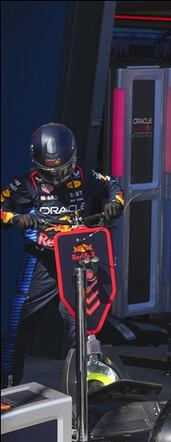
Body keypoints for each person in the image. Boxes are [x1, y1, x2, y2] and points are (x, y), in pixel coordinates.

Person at [1, 122, 125, 387]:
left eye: (63, 170)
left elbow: (114, 186)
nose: (58, 177)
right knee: (17, 323)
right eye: (51, 172)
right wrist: (16, 218)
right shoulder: (24, 183)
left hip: (76, 261)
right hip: (40, 261)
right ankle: (7, 383)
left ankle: (83, 388)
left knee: (82, 326)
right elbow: (2, 207)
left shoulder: (85, 176)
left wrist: (114, 204)